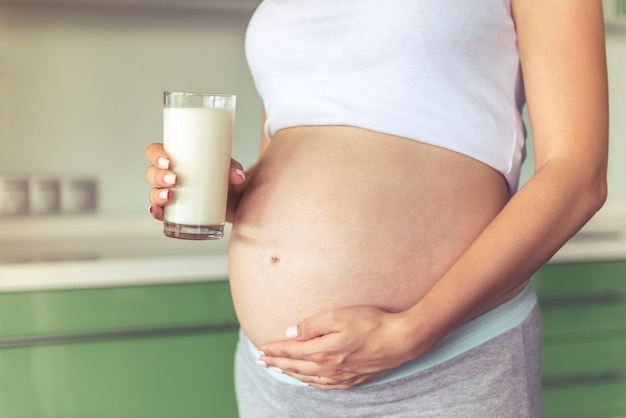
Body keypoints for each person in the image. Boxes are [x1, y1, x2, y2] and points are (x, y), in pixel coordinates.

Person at [146, 1, 609, 416]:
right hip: (275, 377)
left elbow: (577, 174)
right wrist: (234, 197)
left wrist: (412, 333)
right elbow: (285, 144)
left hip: (441, 366)